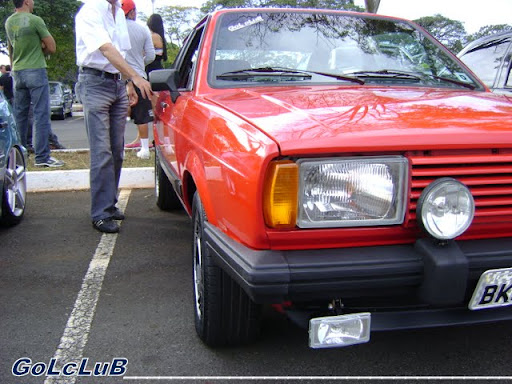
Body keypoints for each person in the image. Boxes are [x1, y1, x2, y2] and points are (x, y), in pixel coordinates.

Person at [75, 0, 152, 233]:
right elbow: (106, 49)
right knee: (102, 151)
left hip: (118, 85)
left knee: (117, 151)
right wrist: (137, 77)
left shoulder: (118, 13)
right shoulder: (90, 10)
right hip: (94, 83)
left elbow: (121, 53)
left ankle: (110, 204)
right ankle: (100, 213)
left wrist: (127, 82)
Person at [5, 0, 64, 167]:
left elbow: (11, 48)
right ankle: (42, 157)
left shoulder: (9, 21)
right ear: (26, 2)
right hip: (35, 69)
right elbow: (51, 47)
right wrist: (41, 49)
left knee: (20, 115)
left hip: (18, 71)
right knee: (41, 114)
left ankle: (19, 157)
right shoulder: (35, 20)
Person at [125, 13, 167, 149]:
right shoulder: (159, 36)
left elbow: (149, 54)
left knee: (151, 108)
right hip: (154, 71)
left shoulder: (154, 36)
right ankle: (144, 138)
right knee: (150, 107)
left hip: (151, 72)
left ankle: (152, 139)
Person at [121, 0, 155, 160]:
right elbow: (151, 55)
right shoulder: (142, 30)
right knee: (142, 114)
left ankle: (118, 148)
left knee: (118, 114)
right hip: (139, 76)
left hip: (118, 76)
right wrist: (141, 62)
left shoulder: (115, 28)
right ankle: (144, 148)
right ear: (132, 12)